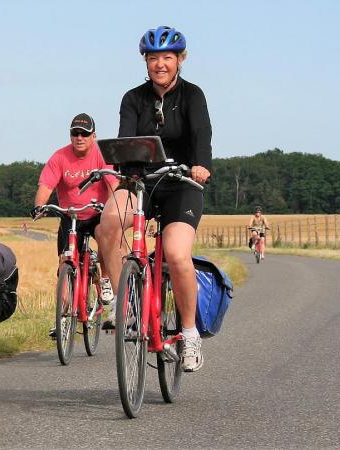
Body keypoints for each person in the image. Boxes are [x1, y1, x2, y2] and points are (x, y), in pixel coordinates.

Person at [97, 26, 212, 372]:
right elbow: (124, 139)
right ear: (145, 61)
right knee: (109, 222)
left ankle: (189, 333)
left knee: (177, 254)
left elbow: (202, 134)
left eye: (166, 57)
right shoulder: (133, 98)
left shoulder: (193, 95)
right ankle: (123, 303)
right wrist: (123, 164)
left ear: (180, 59)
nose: (159, 64)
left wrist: (201, 165)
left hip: (181, 183)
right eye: (153, 58)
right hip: (142, 180)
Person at [31, 113, 119, 337]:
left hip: (98, 213)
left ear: (93, 136)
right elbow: (45, 186)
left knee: (107, 241)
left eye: (84, 133)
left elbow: (112, 184)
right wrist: (40, 206)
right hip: (70, 217)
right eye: (75, 133)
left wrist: (112, 209)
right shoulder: (59, 157)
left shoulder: (101, 154)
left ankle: (106, 279)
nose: (79, 137)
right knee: (65, 265)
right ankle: (63, 318)